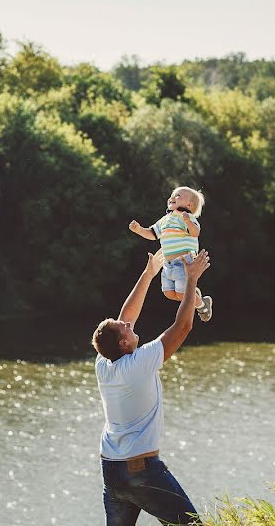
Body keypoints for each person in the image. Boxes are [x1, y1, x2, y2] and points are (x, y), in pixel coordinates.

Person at [92, 248, 211, 525]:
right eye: (123, 328)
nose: (126, 323)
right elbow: (182, 327)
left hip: (111, 469)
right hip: (141, 470)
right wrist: (191, 279)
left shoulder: (104, 363)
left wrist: (148, 274)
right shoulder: (140, 363)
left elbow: (126, 316)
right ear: (123, 343)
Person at [128, 186, 213, 322]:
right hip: (167, 264)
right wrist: (139, 230)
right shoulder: (165, 219)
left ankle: (203, 305)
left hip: (184, 262)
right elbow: (153, 233)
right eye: (172, 195)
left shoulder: (186, 217)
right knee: (168, 293)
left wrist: (187, 221)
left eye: (178, 195)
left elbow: (195, 232)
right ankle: (194, 294)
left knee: (181, 294)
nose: (172, 197)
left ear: (189, 205)